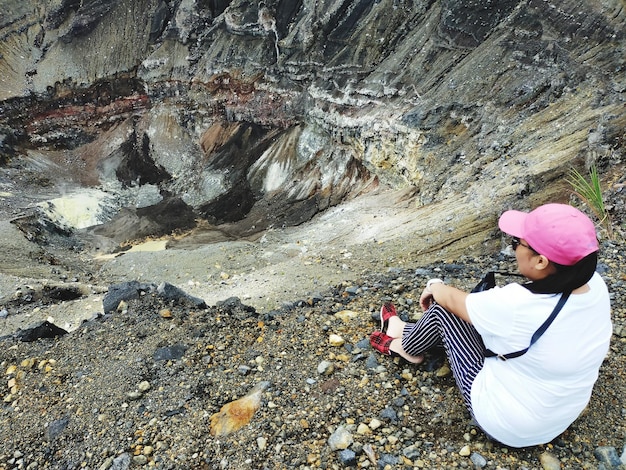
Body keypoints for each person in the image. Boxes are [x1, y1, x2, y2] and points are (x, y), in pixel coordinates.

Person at [369, 203, 612, 448]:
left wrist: (433, 285)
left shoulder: (517, 305)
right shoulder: (595, 285)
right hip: (560, 414)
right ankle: (404, 330)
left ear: (540, 261)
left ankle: (406, 347)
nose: (514, 247)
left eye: (517, 242)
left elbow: (451, 301)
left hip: (507, 424)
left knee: (443, 311)